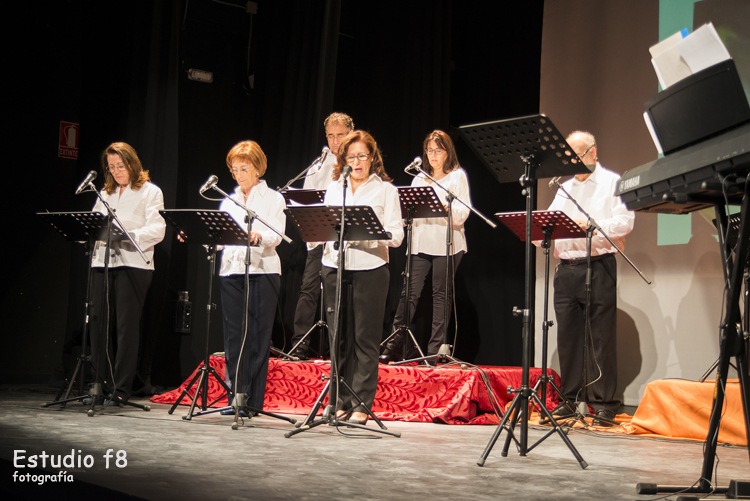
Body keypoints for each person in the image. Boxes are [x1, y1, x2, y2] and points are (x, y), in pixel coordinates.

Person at [547, 131, 635, 426]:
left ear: (593, 153)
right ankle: (570, 400)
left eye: (577, 154)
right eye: (568, 156)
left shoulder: (612, 182)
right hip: (566, 269)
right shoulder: (564, 187)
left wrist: (593, 225)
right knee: (568, 338)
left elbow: (625, 222)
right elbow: (549, 222)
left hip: (599, 265)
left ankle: (606, 404)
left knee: (602, 338)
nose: (572, 160)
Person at [321, 130, 404, 424]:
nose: (356, 162)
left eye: (361, 156)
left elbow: (397, 235)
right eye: (350, 157)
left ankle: (360, 404)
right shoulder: (334, 188)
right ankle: (339, 400)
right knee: (338, 338)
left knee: (365, 340)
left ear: (372, 157)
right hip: (335, 266)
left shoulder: (386, 190)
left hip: (371, 268)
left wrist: (373, 234)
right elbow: (323, 226)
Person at [380, 130, 471, 363]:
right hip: (420, 242)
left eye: (437, 150)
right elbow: (409, 211)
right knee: (409, 293)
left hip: (447, 243)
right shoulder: (419, 177)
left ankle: (435, 352)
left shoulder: (457, 177)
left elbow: (463, 213)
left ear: (447, 152)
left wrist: (446, 207)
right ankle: (394, 345)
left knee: (441, 295)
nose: (432, 155)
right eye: (429, 150)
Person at [89, 142, 166, 405]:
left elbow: (158, 229)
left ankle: (121, 389)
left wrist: (128, 236)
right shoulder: (104, 193)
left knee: (126, 328)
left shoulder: (149, 191)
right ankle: (99, 385)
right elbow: (93, 225)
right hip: (102, 263)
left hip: (134, 264)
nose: (117, 171)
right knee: (98, 324)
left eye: (121, 166)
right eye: (111, 167)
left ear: (132, 164)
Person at [218, 140, 286, 415]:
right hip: (231, 271)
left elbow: (277, 235)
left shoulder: (273, 198)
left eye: (244, 168)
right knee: (234, 338)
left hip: (262, 271)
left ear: (257, 168)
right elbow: (220, 236)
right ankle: (234, 396)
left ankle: (252, 402)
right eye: (234, 170)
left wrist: (259, 237)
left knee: (257, 339)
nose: (238, 175)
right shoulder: (227, 199)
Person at [290, 112, 354, 359]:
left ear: (350, 134)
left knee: (340, 293)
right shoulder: (318, 164)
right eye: (330, 136)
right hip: (319, 237)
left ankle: (339, 349)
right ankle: (299, 346)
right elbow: (305, 200)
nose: (335, 141)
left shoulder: (357, 161)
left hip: (346, 241)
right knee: (308, 290)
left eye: (340, 135)